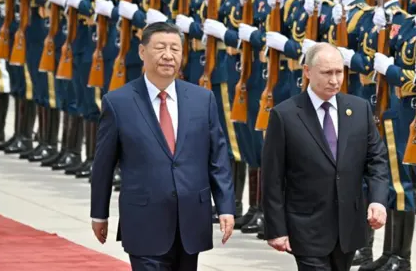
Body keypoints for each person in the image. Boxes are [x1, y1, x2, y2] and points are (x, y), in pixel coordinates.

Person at [90, 22, 236, 271]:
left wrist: (225, 207)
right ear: (142, 52)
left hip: (191, 221)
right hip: (144, 220)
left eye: (175, 49)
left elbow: (218, 159)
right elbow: (103, 165)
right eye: (160, 48)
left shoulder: (203, 99)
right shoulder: (119, 103)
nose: (168, 55)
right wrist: (99, 213)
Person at [261, 42, 389, 271]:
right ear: (308, 72)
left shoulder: (359, 109)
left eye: (339, 72)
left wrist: (378, 200)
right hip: (306, 227)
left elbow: (376, 159)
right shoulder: (286, 115)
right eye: (327, 73)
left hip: (348, 228)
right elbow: (273, 177)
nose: (334, 80)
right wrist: (276, 228)